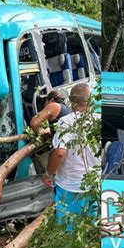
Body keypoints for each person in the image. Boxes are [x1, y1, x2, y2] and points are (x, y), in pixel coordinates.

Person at [41, 83, 100, 223]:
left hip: (70, 186)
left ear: (71, 102)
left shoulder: (66, 122)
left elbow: (60, 153)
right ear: (90, 101)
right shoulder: (98, 120)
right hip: (94, 185)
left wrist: (48, 174)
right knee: (88, 229)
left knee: (67, 231)